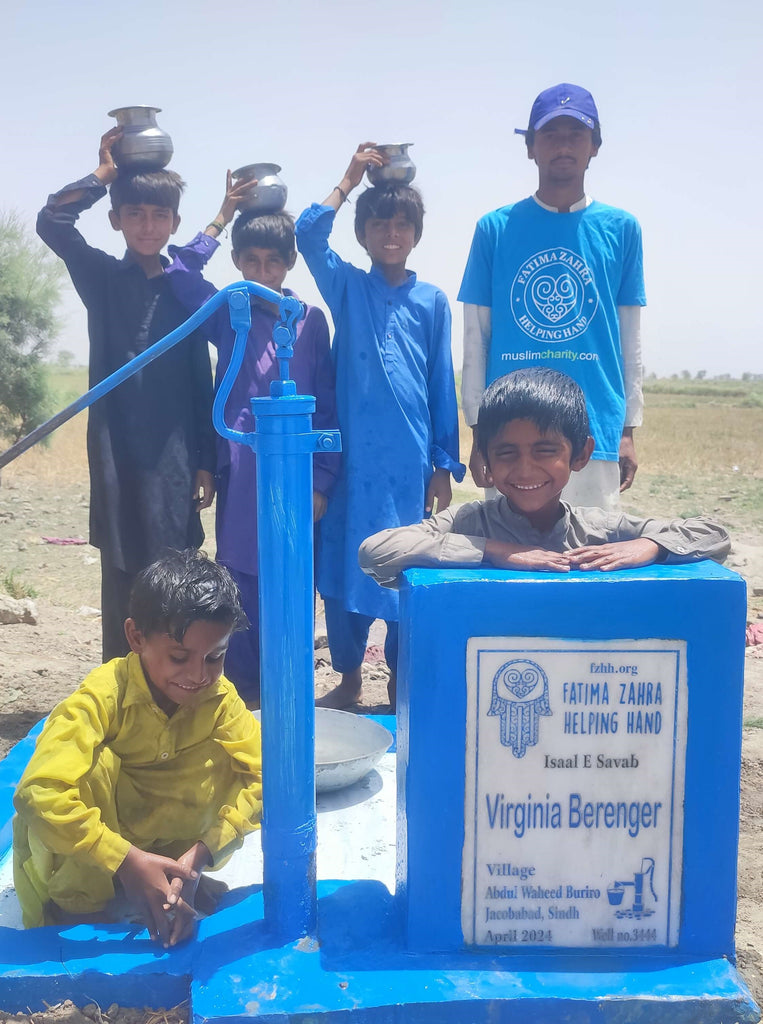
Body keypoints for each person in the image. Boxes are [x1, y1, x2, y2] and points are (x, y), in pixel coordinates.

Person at [13, 549, 262, 948]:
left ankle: (174, 873)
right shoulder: (101, 697)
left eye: (215, 657)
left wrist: (202, 854)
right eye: (179, 657)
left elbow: (270, 777)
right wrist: (125, 860)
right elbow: (38, 794)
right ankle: (84, 902)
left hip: (172, 845)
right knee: (87, 769)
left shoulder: (219, 699)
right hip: (96, 854)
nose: (199, 676)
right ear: (136, 637)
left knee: (240, 760)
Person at [37, 127, 216, 663]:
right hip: (116, 456)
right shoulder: (101, 278)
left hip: (176, 458)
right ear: (115, 219)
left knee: (175, 569)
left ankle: (174, 676)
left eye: (159, 216)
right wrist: (103, 175)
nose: (147, 225)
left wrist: (206, 461)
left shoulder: (184, 290)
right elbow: (53, 222)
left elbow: (199, 381)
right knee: (122, 571)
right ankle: (122, 680)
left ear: (174, 224)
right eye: (134, 213)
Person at [296, 143, 465, 709]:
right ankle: (347, 677)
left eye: (401, 224)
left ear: (415, 233)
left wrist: (444, 463)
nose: (390, 234)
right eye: (378, 225)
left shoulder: (432, 301)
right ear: (363, 234)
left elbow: (442, 383)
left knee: (406, 570)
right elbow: (308, 235)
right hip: (351, 465)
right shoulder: (348, 289)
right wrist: (348, 179)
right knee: (345, 571)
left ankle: (400, 680)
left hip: (408, 466)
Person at [166, 172, 339, 704]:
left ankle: (290, 697)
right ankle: (243, 704)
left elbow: (327, 401)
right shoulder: (228, 310)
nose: (263, 273)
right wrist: (220, 216)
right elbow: (179, 269)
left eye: (274, 262)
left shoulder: (309, 321)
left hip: (296, 473)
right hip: (241, 471)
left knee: (290, 581)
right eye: (252, 262)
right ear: (239, 262)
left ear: (288, 264)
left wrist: (322, 482)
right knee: (239, 581)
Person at [359, 368, 729, 585]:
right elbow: (376, 551)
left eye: (545, 451)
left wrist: (648, 547)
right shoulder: (469, 522)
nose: (525, 469)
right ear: (485, 458)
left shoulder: (597, 530)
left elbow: (714, 534)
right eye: (506, 453)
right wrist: (498, 552)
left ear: (581, 454)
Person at [459, 83, 645, 512]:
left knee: (590, 558)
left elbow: (629, 338)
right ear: (530, 147)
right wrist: (478, 432)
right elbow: (476, 338)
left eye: (575, 134)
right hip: (510, 437)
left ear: (595, 145)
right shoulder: (495, 229)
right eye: (550, 135)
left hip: (592, 429)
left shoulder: (622, 229)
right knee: (515, 560)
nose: (563, 145)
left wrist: (627, 429)